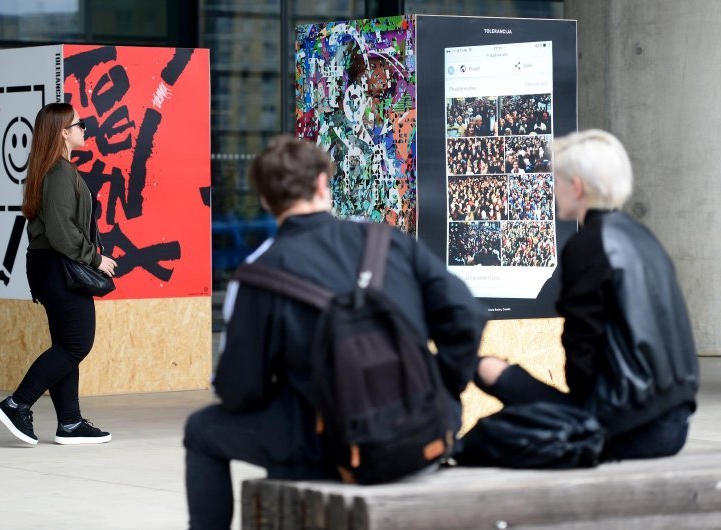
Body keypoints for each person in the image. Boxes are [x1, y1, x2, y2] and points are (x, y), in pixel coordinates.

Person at [183, 135, 486, 529]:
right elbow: (466, 313)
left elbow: (240, 390)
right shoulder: (389, 241)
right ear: (323, 183)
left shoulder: (256, 277)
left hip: (326, 447)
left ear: (264, 200)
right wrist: (441, 389)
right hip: (424, 431)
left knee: (202, 429)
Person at [473, 129, 699, 461]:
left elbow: (582, 352)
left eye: (557, 181)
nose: (553, 190)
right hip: (672, 422)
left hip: (622, 426)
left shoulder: (589, 245)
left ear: (576, 186)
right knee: (499, 378)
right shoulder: (644, 238)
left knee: (488, 383)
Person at [0, 102, 117, 446]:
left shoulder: (50, 170)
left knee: (66, 345)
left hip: (48, 267)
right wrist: (95, 259)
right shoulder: (60, 173)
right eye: (79, 124)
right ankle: (17, 403)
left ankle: (71, 423)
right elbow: (63, 234)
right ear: (63, 132)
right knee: (77, 343)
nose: (84, 129)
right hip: (60, 267)